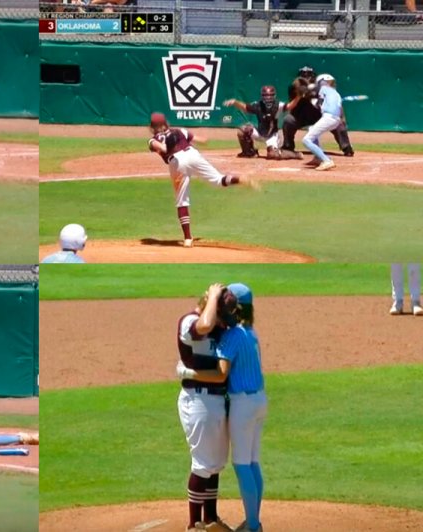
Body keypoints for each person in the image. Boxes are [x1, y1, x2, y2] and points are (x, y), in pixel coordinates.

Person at [178, 283, 267, 532]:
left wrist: (186, 372)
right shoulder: (251, 333)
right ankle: (245, 522)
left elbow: (220, 375)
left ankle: (250, 525)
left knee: (239, 465)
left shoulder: (230, 336)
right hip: (259, 400)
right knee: (251, 463)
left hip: (241, 404)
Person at [175, 284, 238, 532]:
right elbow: (203, 325)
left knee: (215, 463)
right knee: (202, 463)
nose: (224, 323)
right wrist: (213, 297)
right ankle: (193, 524)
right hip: (198, 400)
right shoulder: (189, 322)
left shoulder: (219, 328)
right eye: (221, 316)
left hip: (217, 400)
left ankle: (211, 519)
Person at [148, 112, 258, 248]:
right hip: (193, 154)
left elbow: (163, 148)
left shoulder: (153, 140)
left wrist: (168, 145)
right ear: (166, 123)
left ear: (152, 127)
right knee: (218, 179)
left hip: (177, 162)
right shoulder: (179, 130)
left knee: (182, 200)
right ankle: (239, 179)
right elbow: (203, 140)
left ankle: (188, 238)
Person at [281, 66, 354, 159]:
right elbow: (293, 102)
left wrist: (342, 117)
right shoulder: (293, 88)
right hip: (301, 116)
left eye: (308, 75)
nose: (306, 78)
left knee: (338, 123)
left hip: (319, 116)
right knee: (288, 120)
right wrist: (300, 93)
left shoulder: (322, 88)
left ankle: (346, 147)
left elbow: (334, 103)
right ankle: (288, 147)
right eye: (303, 75)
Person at [224, 86, 302, 160]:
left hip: (272, 136)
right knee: (243, 129)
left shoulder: (278, 105)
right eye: (265, 95)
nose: (268, 97)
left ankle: (295, 154)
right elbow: (245, 108)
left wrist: (298, 96)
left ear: (274, 96)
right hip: (260, 133)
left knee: (272, 155)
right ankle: (249, 152)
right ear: (262, 96)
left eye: (270, 95)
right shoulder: (258, 105)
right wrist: (235, 102)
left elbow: (290, 106)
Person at [300, 74, 343, 171]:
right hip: (335, 119)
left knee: (306, 140)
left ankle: (326, 160)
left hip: (328, 117)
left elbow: (318, 103)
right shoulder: (336, 93)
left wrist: (308, 93)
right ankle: (318, 157)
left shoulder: (323, 88)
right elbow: (321, 105)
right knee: (311, 129)